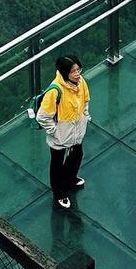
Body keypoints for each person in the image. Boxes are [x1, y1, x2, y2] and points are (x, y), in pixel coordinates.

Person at [38, 54, 91, 209]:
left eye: (78, 69)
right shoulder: (55, 91)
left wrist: (85, 116)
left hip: (76, 130)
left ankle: (70, 179)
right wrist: (55, 132)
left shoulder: (81, 83)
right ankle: (59, 192)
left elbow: (86, 100)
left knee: (77, 155)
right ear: (63, 72)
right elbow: (42, 117)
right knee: (57, 164)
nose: (77, 73)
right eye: (72, 71)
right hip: (60, 135)